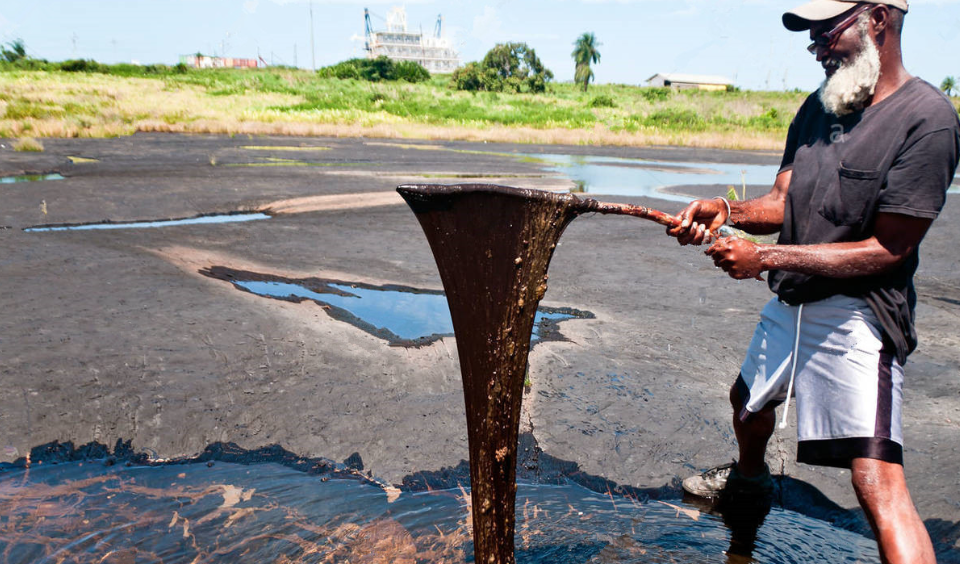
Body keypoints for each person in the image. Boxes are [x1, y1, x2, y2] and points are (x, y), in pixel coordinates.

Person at [667, 1, 960, 563]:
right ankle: (751, 482)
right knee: (748, 406)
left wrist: (767, 260)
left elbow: (887, 249)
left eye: (827, 32)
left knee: (876, 480)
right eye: (812, 38)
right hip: (795, 297)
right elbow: (781, 199)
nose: (817, 48)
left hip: (860, 313)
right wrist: (724, 209)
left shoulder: (928, 119)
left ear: (878, 19)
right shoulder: (820, 107)